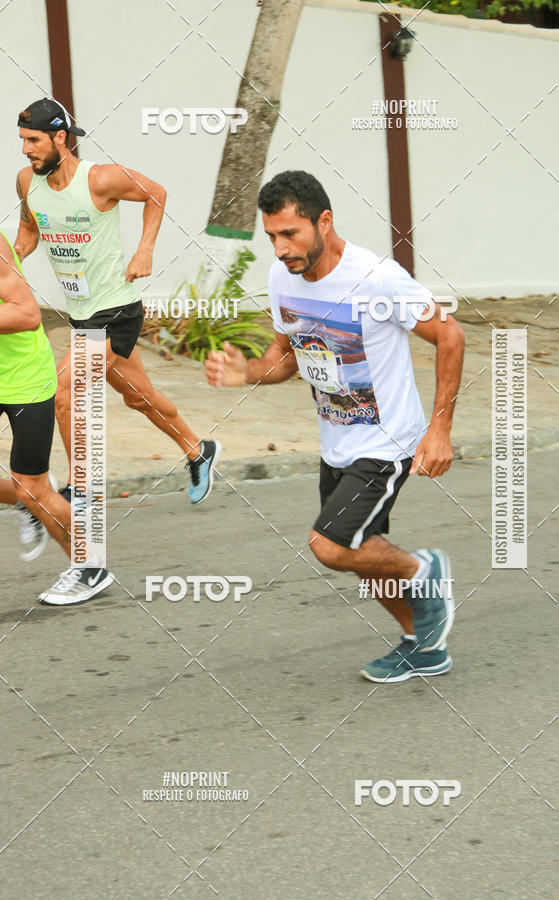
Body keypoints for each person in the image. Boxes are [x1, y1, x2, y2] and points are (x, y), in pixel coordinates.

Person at [205, 171, 465, 683]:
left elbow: (450, 336)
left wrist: (439, 431)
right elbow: (288, 356)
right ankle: (425, 645)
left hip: (388, 440)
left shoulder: (378, 278)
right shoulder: (284, 278)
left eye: (291, 234)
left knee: (330, 545)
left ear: (324, 221)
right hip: (338, 440)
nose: (280, 249)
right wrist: (249, 371)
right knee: (366, 557)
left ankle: (423, 571)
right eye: (272, 236)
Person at [14, 97, 220, 506]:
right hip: (82, 313)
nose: (25, 149)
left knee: (63, 391)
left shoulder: (100, 180)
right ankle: (199, 450)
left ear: (61, 138)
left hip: (115, 311)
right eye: (22, 140)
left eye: (34, 140)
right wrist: (9, 265)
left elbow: (156, 194)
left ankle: (82, 489)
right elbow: (28, 232)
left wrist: (145, 250)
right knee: (139, 396)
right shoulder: (26, 181)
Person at [0, 230, 112, 605]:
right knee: (25, 491)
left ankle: (90, 566)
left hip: (24, 380)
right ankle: (23, 501)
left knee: (32, 485)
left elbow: (28, 313)